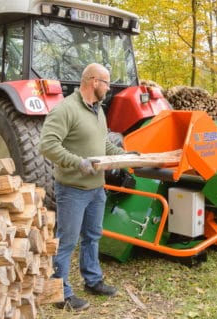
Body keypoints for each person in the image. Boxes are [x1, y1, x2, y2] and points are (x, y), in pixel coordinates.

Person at [39, 63, 126, 311]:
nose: (109, 89)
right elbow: (47, 146)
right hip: (73, 190)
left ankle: (92, 280)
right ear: (94, 82)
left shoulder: (98, 111)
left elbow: (104, 146)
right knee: (66, 241)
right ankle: (59, 292)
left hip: (97, 189)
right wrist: (78, 163)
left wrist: (125, 155)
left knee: (92, 236)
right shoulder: (65, 109)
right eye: (107, 83)